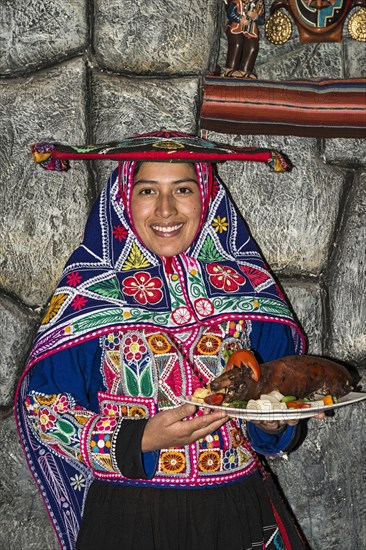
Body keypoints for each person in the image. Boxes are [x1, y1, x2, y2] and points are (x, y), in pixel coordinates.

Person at [16, 131, 307, 550]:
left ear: (206, 197)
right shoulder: (87, 297)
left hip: (237, 514)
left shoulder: (252, 294)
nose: (166, 209)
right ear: (123, 200)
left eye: (183, 189)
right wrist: (142, 439)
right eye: (148, 190)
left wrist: (273, 419)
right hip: (130, 519)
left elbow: (282, 393)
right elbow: (44, 411)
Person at [224, 0, 265, 79]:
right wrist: (240, 19)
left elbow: (262, 20)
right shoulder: (237, 2)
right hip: (234, 28)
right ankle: (230, 69)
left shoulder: (259, 4)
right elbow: (230, 14)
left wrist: (255, 17)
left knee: (252, 46)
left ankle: (245, 70)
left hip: (250, 31)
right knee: (237, 42)